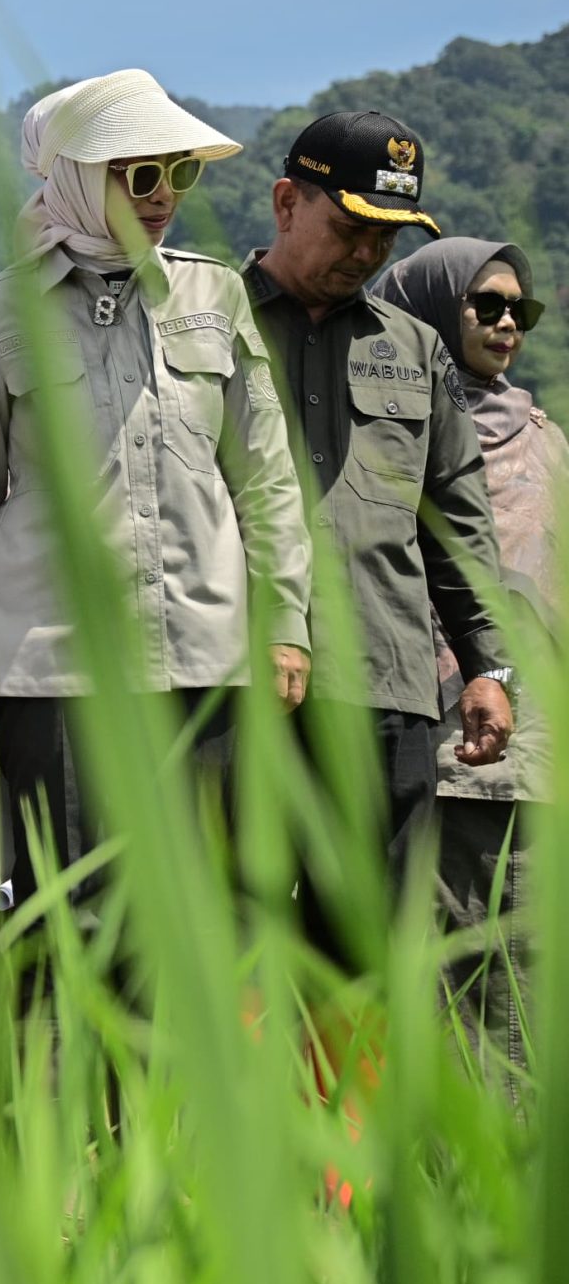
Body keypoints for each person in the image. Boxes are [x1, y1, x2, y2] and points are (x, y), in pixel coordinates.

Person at [0, 72, 311, 910]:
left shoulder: (215, 295)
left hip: (206, 657)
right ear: (74, 176)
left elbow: (267, 479)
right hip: (51, 667)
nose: (163, 195)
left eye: (179, 172)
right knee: (72, 910)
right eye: (139, 175)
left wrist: (285, 621)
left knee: (206, 905)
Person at [242, 111, 510, 968]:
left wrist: (488, 666)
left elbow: (457, 522)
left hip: (384, 686)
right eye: (349, 227)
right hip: (235, 685)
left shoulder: (416, 349)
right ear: (287, 203)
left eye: (386, 237)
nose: (366, 253)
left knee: (368, 954)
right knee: (227, 939)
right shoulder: (212, 328)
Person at [377, 236, 554, 1058]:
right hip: (411, 736)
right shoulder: (388, 432)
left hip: (522, 753)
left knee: (512, 974)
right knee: (421, 972)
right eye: (487, 305)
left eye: (521, 309)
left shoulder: (545, 443)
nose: (507, 323)